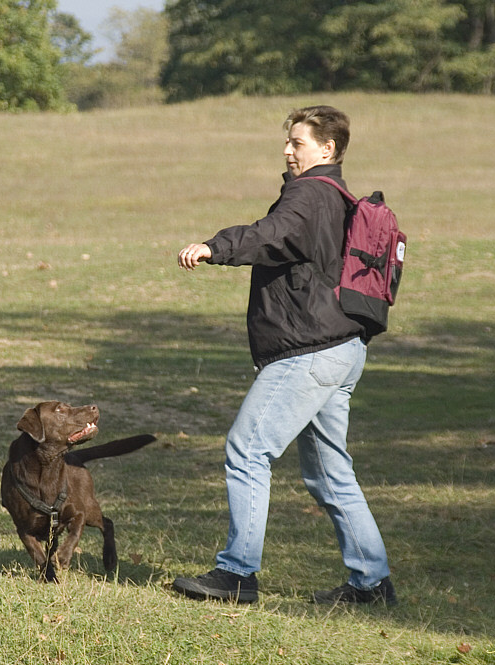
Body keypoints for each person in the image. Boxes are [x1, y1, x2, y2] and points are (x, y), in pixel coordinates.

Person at [172, 105, 395, 606]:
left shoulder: (310, 192)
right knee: (329, 472)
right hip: (341, 348)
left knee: (248, 450)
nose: (287, 150)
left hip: (310, 352)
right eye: (288, 142)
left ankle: (236, 575)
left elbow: (272, 234)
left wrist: (216, 247)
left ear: (327, 149)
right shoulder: (335, 196)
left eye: (297, 142)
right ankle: (371, 584)